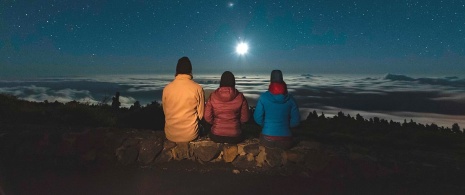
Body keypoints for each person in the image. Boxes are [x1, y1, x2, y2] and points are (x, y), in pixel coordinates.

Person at [162, 56, 205, 145]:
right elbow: (200, 115)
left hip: (170, 135)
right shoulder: (198, 88)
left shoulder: (167, 89)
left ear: (177, 70)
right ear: (190, 70)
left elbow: (166, 112)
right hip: (191, 134)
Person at [253, 70, 300, 149]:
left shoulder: (264, 97)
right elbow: (296, 121)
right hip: (286, 141)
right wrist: (285, 127)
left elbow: (257, 118)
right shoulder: (291, 99)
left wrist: (267, 126)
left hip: (267, 139)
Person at [204, 71, 249, 144]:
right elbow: (245, 118)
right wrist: (237, 124)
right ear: (233, 82)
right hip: (235, 136)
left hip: (216, 135)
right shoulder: (240, 97)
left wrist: (215, 123)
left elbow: (207, 117)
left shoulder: (213, 96)